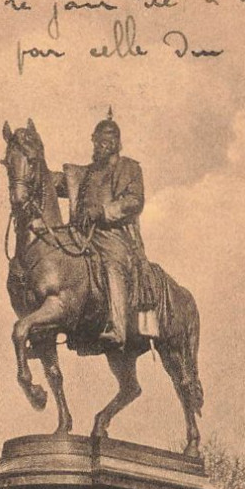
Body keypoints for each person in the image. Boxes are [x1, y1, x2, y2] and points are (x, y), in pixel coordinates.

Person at [54, 111, 153, 348]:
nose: (99, 146)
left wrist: (102, 211)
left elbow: (134, 201)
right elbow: (61, 184)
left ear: (116, 143)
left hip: (112, 235)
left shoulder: (129, 168)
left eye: (105, 141)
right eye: (96, 141)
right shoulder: (87, 173)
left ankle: (118, 328)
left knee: (113, 264)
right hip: (82, 235)